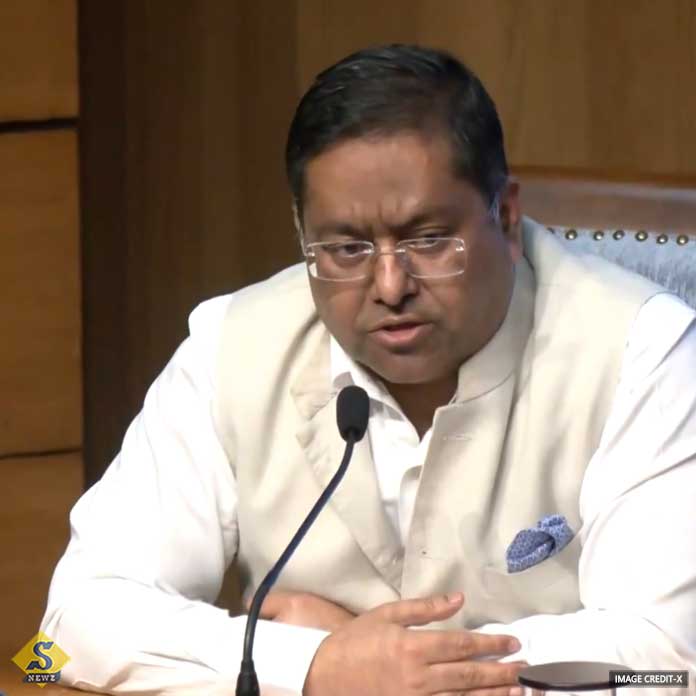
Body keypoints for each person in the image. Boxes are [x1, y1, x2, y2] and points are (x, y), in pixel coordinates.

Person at [41, 45, 696, 696]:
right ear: (302, 234)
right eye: (347, 249)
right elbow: (59, 637)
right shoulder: (230, 346)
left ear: (505, 214)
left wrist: (384, 668)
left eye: (428, 240)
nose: (389, 286)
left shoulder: (642, 351)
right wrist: (317, 664)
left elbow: (671, 662)